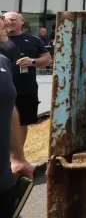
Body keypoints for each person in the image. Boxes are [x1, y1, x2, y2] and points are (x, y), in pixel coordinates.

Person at [0, 19, 34, 217]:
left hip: (4, 183)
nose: (4, 23)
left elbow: (9, 107)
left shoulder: (3, 62)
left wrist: (18, 158)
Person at [2, 13, 51, 150]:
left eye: (13, 20)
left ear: (22, 21)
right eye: (6, 20)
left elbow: (47, 58)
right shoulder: (1, 39)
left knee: (22, 124)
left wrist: (32, 61)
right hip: (3, 89)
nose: (9, 22)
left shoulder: (34, 40)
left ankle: (18, 156)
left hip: (25, 89)